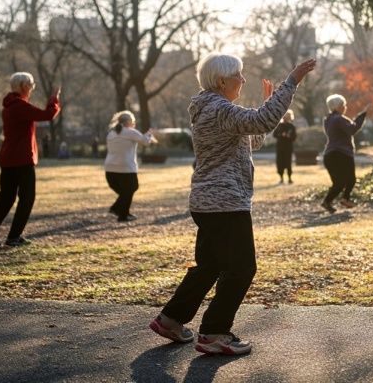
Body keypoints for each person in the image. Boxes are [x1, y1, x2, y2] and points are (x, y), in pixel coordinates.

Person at [150, 53, 316, 356]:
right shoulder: (219, 109)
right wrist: (290, 82)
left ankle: (171, 320)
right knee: (241, 268)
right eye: (239, 74)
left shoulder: (211, 109)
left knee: (209, 266)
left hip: (209, 201)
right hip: (224, 202)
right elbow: (261, 120)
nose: (243, 79)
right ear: (222, 80)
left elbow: (252, 138)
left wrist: (270, 109)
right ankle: (215, 333)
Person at [0, 72, 60, 247]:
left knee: (6, 198)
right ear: (23, 86)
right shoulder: (19, 106)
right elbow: (47, 115)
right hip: (22, 158)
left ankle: (13, 236)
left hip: (9, 158)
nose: (31, 89)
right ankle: (13, 237)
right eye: (30, 86)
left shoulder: (9, 105)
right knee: (27, 197)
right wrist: (54, 98)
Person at [104, 111, 157, 222]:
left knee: (126, 192)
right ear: (129, 122)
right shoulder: (130, 132)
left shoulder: (111, 133)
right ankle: (121, 213)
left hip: (110, 169)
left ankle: (120, 211)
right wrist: (149, 134)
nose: (134, 124)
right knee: (131, 188)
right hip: (126, 168)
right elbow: (146, 142)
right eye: (133, 122)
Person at [321, 94, 367, 214]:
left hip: (329, 154)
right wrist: (361, 116)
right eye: (344, 104)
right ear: (339, 106)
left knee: (339, 182)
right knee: (350, 179)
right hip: (342, 153)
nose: (345, 107)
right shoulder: (339, 119)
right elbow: (352, 129)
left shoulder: (328, 120)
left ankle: (328, 202)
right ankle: (345, 199)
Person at [273, 109, 297, 184]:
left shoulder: (292, 126)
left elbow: (294, 137)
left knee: (288, 163)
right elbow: (275, 135)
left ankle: (289, 178)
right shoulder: (279, 126)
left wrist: (288, 136)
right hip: (280, 147)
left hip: (288, 148)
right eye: (284, 117)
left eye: (287, 117)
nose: (286, 118)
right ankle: (281, 178)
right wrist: (281, 135)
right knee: (280, 163)